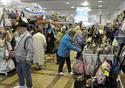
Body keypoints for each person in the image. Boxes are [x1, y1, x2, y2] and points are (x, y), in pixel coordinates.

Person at [14, 22, 34, 88]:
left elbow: (30, 50)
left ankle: (29, 86)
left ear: (24, 28)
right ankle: (22, 85)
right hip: (19, 59)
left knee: (27, 75)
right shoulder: (21, 36)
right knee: (19, 73)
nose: (18, 30)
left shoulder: (28, 37)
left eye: (19, 28)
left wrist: (28, 60)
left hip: (24, 60)